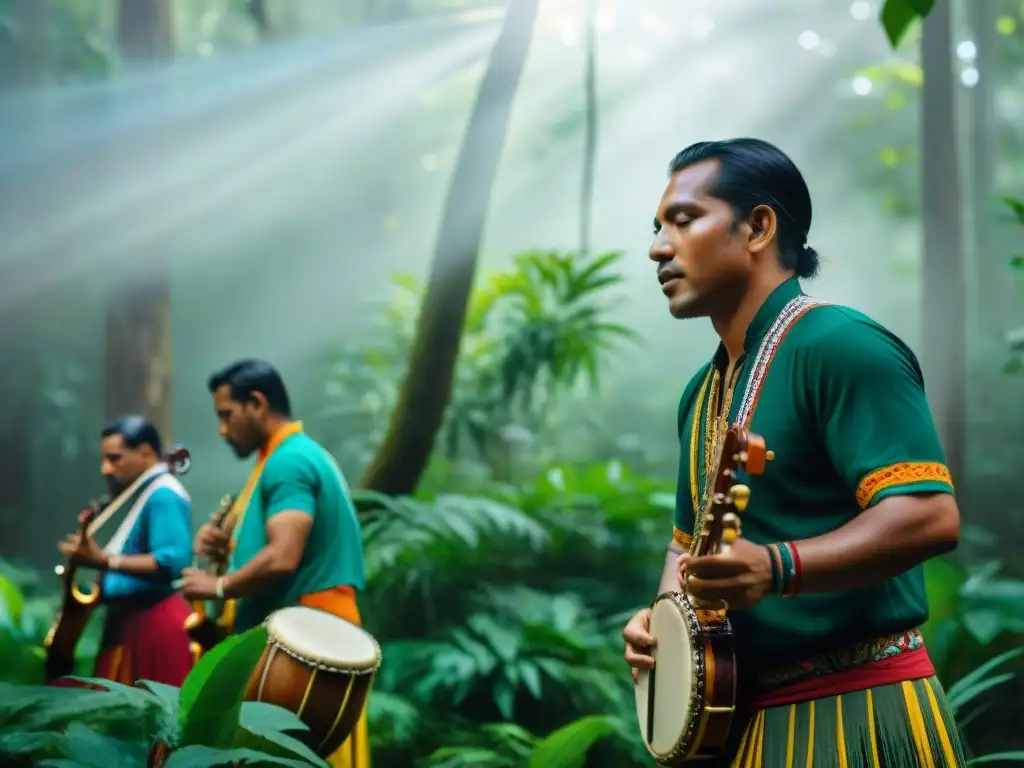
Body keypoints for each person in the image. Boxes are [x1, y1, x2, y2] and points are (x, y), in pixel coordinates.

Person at [621, 138, 965, 766]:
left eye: (684, 219)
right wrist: (665, 623)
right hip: (736, 726)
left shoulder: (840, 345)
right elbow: (686, 545)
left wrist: (779, 566)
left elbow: (929, 516)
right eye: (656, 226)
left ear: (758, 227)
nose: (658, 246)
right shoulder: (702, 393)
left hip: (858, 711)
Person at [179, 359, 369, 768]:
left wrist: (217, 587)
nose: (222, 429)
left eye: (227, 415)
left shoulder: (288, 461)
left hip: (309, 653)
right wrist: (226, 552)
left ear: (258, 404)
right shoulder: (281, 457)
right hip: (306, 646)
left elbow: (283, 556)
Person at [56, 416, 194, 686]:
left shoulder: (163, 494)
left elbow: (173, 561)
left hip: (154, 625)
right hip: (127, 624)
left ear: (145, 453)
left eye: (115, 458)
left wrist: (103, 560)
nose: (106, 469)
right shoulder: (139, 494)